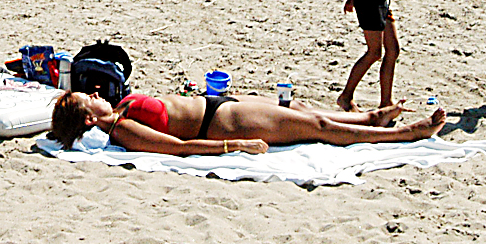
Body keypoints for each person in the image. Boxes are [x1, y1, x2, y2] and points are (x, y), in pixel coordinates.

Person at [48, 90, 446, 154]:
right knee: (316, 127)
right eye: (91, 98)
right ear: (87, 116)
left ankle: (370, 117)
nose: (98, 93)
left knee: (306, 112)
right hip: (224, 124)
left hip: (219, 104)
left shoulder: (120, 109)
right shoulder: (122, 129)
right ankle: (406, 134)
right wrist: (234, 146)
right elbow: (181, 148)